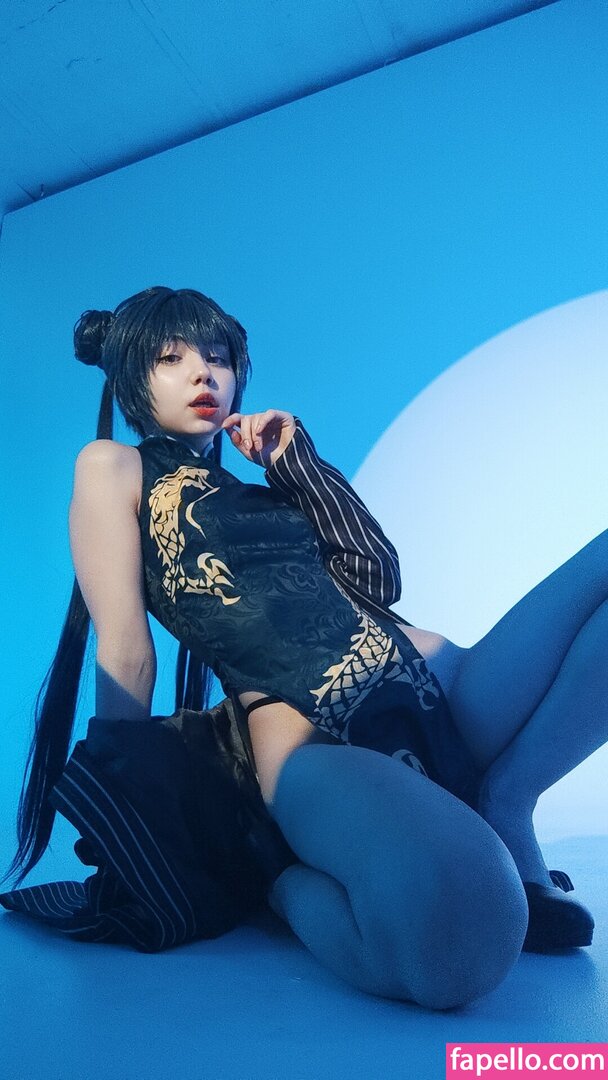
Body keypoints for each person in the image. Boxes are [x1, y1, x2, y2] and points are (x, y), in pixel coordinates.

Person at [0, 285, 602, 1010]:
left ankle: (508, 798)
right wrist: (127, 813)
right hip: (316, 744)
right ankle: (283, 884)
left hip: (441, 690)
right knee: (464, 944)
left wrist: (298, 464)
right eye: (171, 358)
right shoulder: (115, 467)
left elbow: (380, 579)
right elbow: (126, 647)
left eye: (218, 357)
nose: (203, 373)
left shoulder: (273, 490)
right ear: (131, 375)